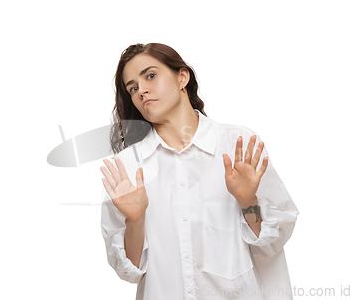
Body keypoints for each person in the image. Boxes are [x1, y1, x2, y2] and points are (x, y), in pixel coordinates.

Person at [99, 43, 299, 300]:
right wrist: (135, 220)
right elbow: (131, 271)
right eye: (133, 88)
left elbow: (274, 240)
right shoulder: (127, 169)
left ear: (182, 77)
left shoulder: (237, 145)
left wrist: (248, 201)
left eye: (150, 76)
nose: (142, 91)